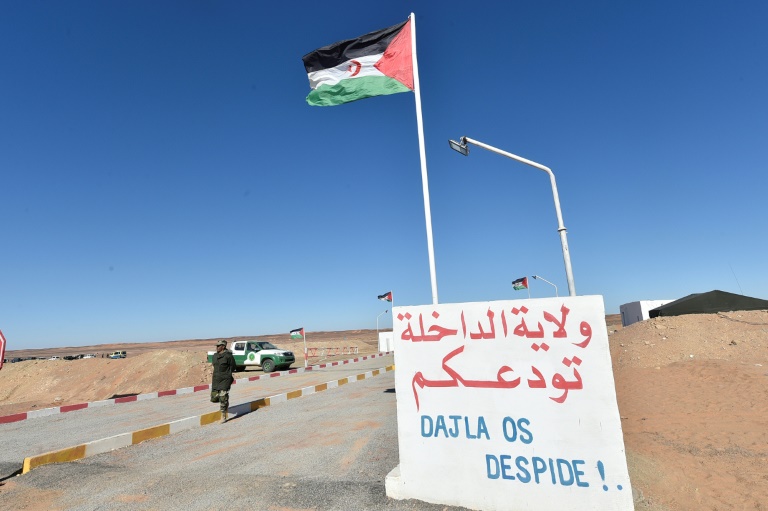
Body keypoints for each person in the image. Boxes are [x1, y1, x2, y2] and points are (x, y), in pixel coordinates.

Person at [210, 339, 236, 423]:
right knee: (214, 397)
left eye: (218, 346)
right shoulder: (214, 356)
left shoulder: (228, 356)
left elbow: (233, 366)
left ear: (223, 347)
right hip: (216, 379)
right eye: (217, 346)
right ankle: (225, 404)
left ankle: (223, 416)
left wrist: (227, 374)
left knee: (223, 396)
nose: (217, 347)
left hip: (225, 379)